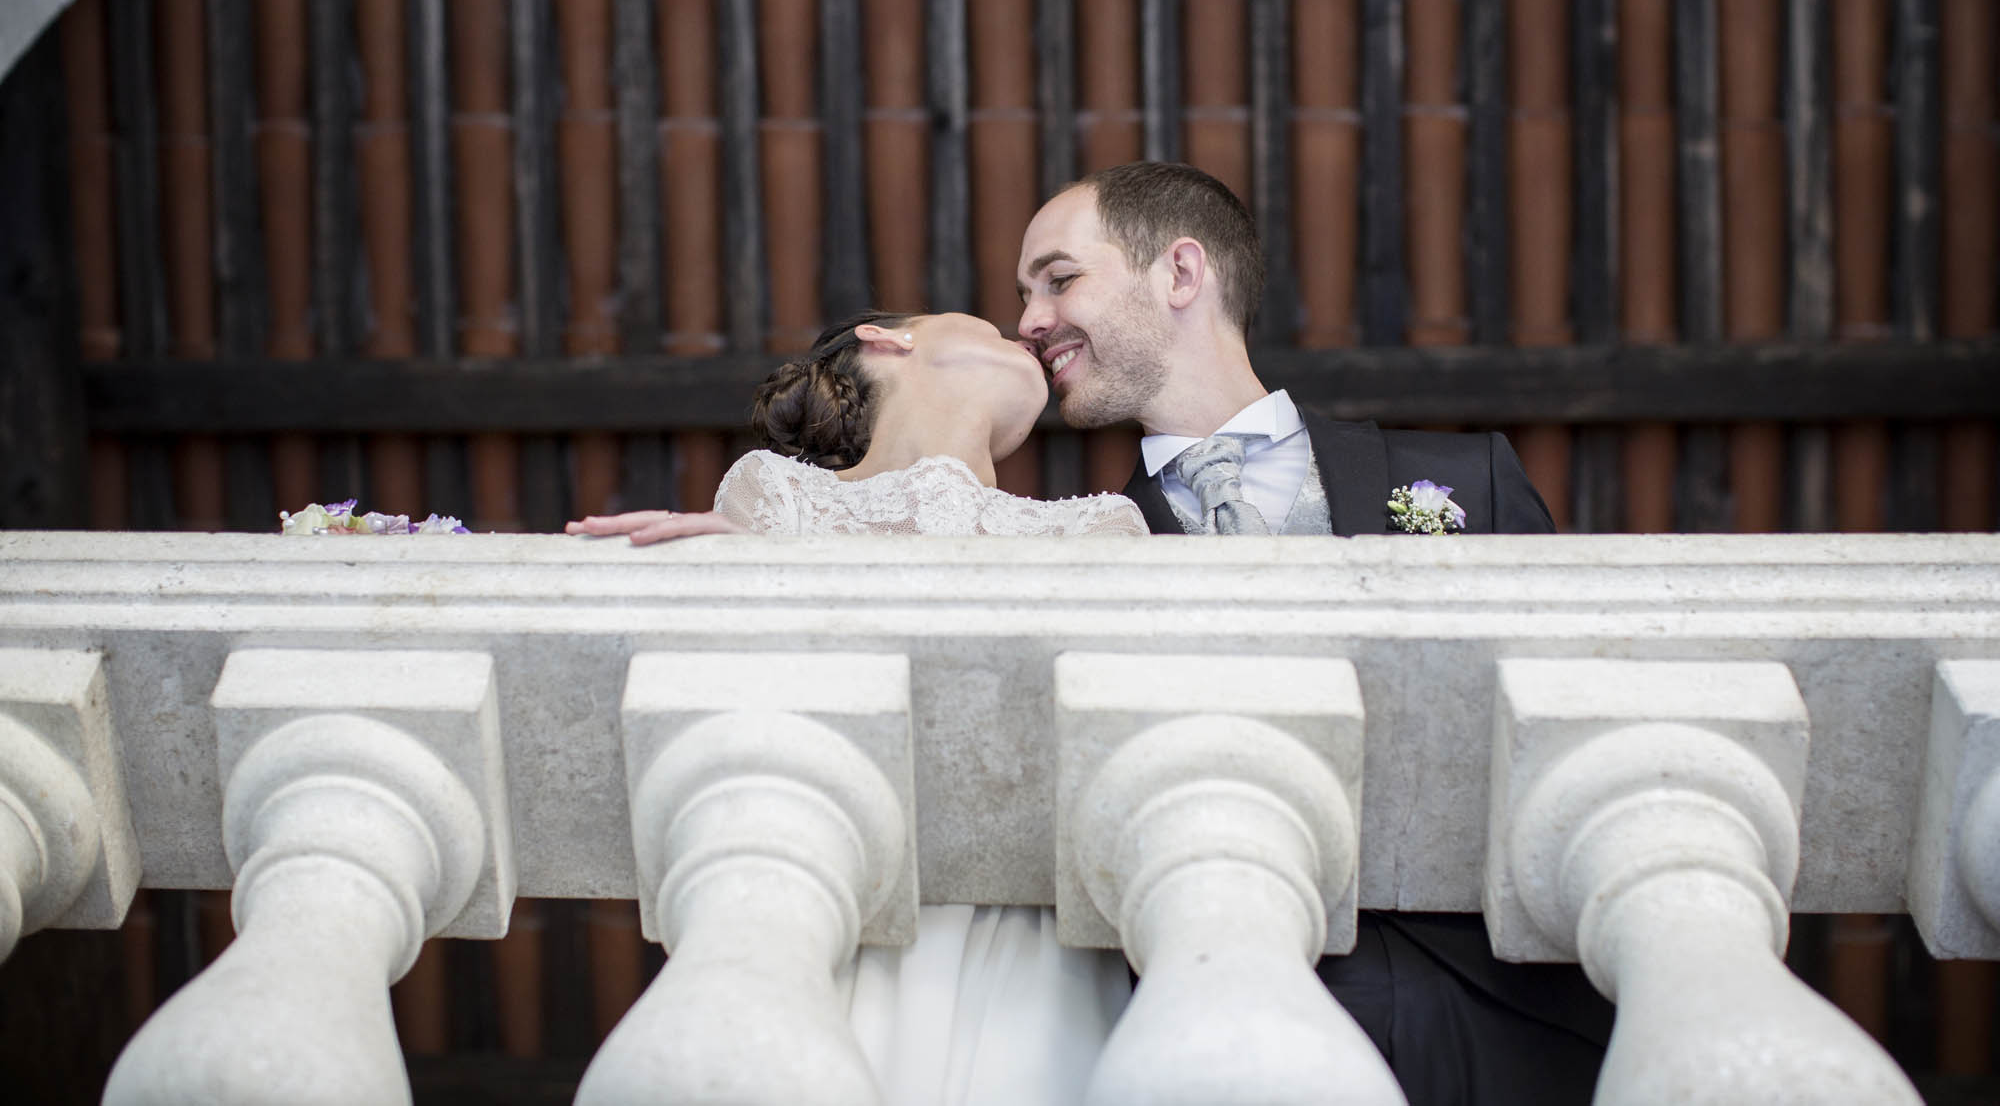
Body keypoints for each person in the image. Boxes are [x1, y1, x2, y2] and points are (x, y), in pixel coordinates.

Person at [1014, 160, 1613, 1106]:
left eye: (1058, 278)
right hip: (1209, 1016)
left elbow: (1577, 722)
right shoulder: (1071, 544)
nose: (1030, 320)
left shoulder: (1469, 476)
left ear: (1180, 274)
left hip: (1501, 1013)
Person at [568, 308, 1141, 1106]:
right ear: (889, 337)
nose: (1028, 334)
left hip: (1023, 932)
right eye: (991, 325)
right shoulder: (772, 495)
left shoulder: (1102, 527)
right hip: (831, 897)